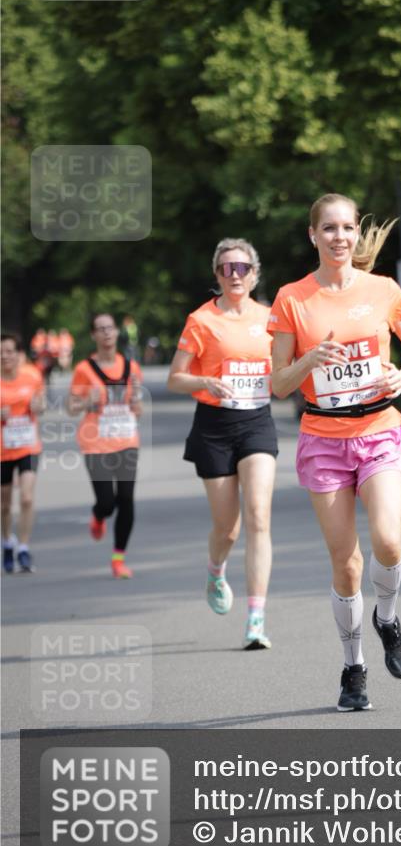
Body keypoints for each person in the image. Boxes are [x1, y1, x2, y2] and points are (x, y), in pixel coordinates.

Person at [270, 193, 401, 711]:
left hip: (379, 428)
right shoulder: (292, 298)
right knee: (347, 564)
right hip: (323, 439)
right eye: (329, 228)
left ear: (356, 233)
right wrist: (311, 358)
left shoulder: (383, 290)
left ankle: (388, 618)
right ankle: (353, 668)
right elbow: (277, 383)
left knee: (388, 541)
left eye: (347, 227)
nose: (340, 236)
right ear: (312, 235)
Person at [168, 239, 278, 650]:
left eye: (243, 268)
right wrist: (204, 381)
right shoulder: (201, 320)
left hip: (256, 423)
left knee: (259, 516)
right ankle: (216, 570)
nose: (235, 275)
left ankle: (256, 618)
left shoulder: (270, 319)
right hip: (214, 425)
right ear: (217, 275)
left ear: (255, 273)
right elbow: (174, 378)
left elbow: (285, 370)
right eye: (227, 268)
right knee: (227, 528)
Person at [67, 314, 143, 578]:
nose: (106, 333)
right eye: (100, 329)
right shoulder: (84, 369)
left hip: (126, 440)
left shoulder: (131, 366)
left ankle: (118, 559)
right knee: (107, 502)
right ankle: (99, 516)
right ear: (93, 336)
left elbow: (139, 405)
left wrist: (137, 406)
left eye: (110, 328)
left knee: (126, 500)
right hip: (95, 442)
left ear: (116, 332)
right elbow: (71, 407)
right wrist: (88, 399)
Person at [1, 333, 46, 573]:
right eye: (0, 353)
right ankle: (7, 542)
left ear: (19, 354)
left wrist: (38, 406)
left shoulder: (32, 375)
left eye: (9, 351)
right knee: (4, 504)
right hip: (2, 451)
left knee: (27, 498)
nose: (5, 356)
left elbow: (42, 402)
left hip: (28, 445)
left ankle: (24, 547)